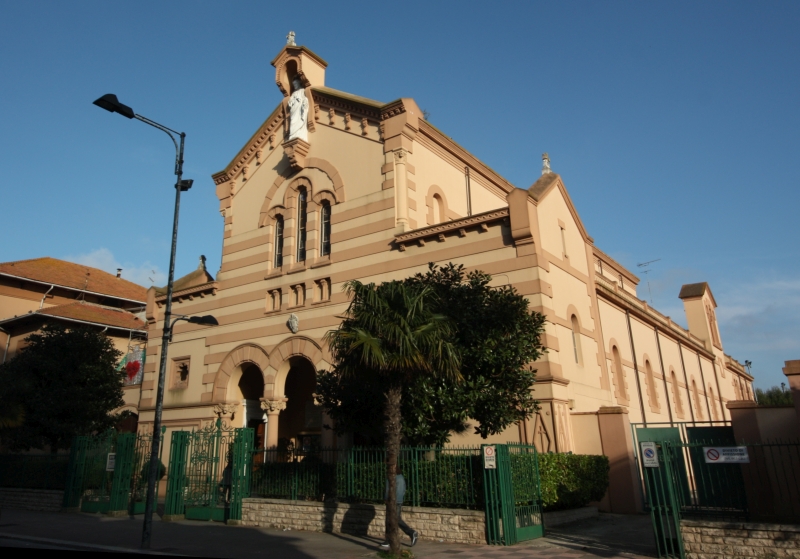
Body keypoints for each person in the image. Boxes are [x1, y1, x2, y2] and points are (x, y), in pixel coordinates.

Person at [380, 464, 419, 548]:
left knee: (394, 519)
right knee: (391, 520)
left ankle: (411, 532)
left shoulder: (395, 478)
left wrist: (391, 500)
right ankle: (388, 540)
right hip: (393, 501)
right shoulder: (396, 477)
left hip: (394, 502)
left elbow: (394, 490)